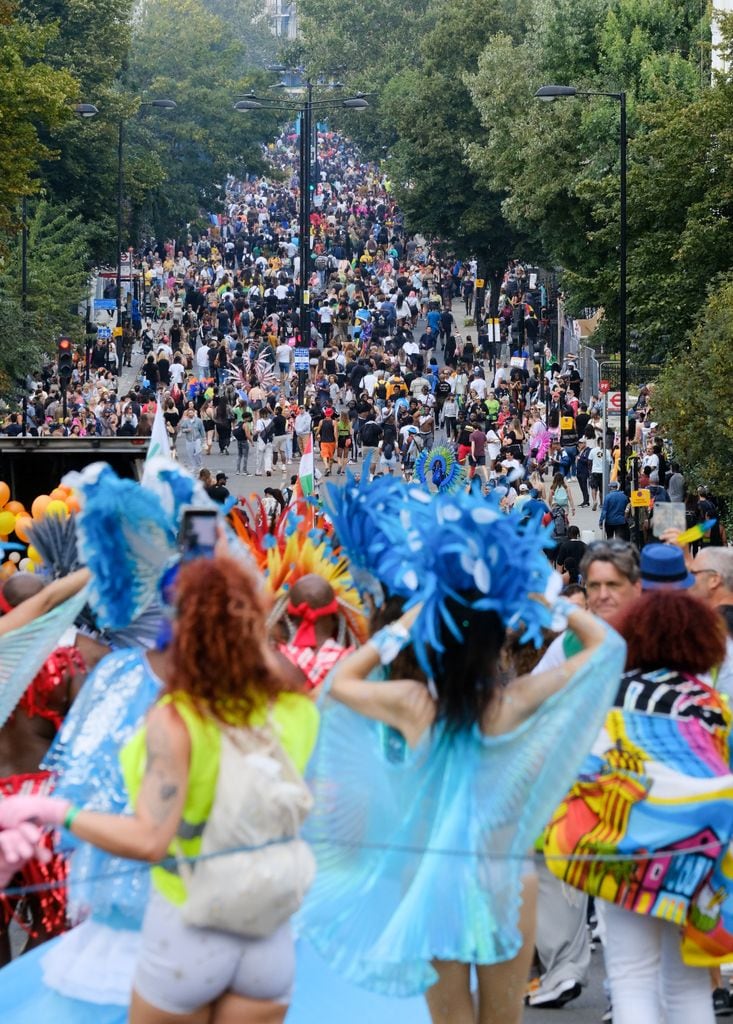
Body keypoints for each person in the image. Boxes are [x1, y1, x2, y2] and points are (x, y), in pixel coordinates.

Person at [301, 482, 626, 1024]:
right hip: (505, 879)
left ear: (432, 637)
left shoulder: (413, 703)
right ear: (497, 640)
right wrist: (544, 600)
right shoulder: (513, 703)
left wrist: (406, 623)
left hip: (432, 878)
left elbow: (337, 684)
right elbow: (608, 647)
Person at [0, 556, 320, 1024]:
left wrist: (55, 810)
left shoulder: (171, 714)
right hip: (265, 931)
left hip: (186, 927)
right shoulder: (294, 699)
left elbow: (150, 838)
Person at [544, 588, 730, 1024]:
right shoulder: (710, 706)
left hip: (622, 849)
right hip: (692, 857)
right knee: (687, 981)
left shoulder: (610, 694)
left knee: (630, 974)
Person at [527, 540, 642, 1010]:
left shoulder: (664, 632)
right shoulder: (574, 639)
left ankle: (626, 994)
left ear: (637, 587)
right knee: (554, 861)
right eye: (593, 585)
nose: (601, 595)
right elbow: (532, 693)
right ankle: (568, 969)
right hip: (580, 776)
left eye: (613, 585)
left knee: (628, 899)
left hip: (643, 783)